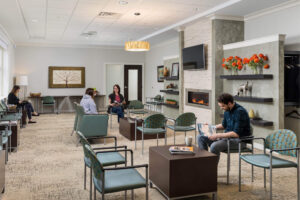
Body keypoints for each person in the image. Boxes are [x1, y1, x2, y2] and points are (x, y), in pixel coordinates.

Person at [197, 93, 251, 163]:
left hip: (239, 141)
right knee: (200, 137)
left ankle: (212, 170)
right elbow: (223, 125)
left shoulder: (240, 112)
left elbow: (236, 134)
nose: (221, 108)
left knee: (214, 146)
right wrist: (211, 127)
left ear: (229, 103)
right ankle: (204, 163)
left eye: (223, 106)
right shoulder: (227, 111)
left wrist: (218, 135)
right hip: (227, 139)